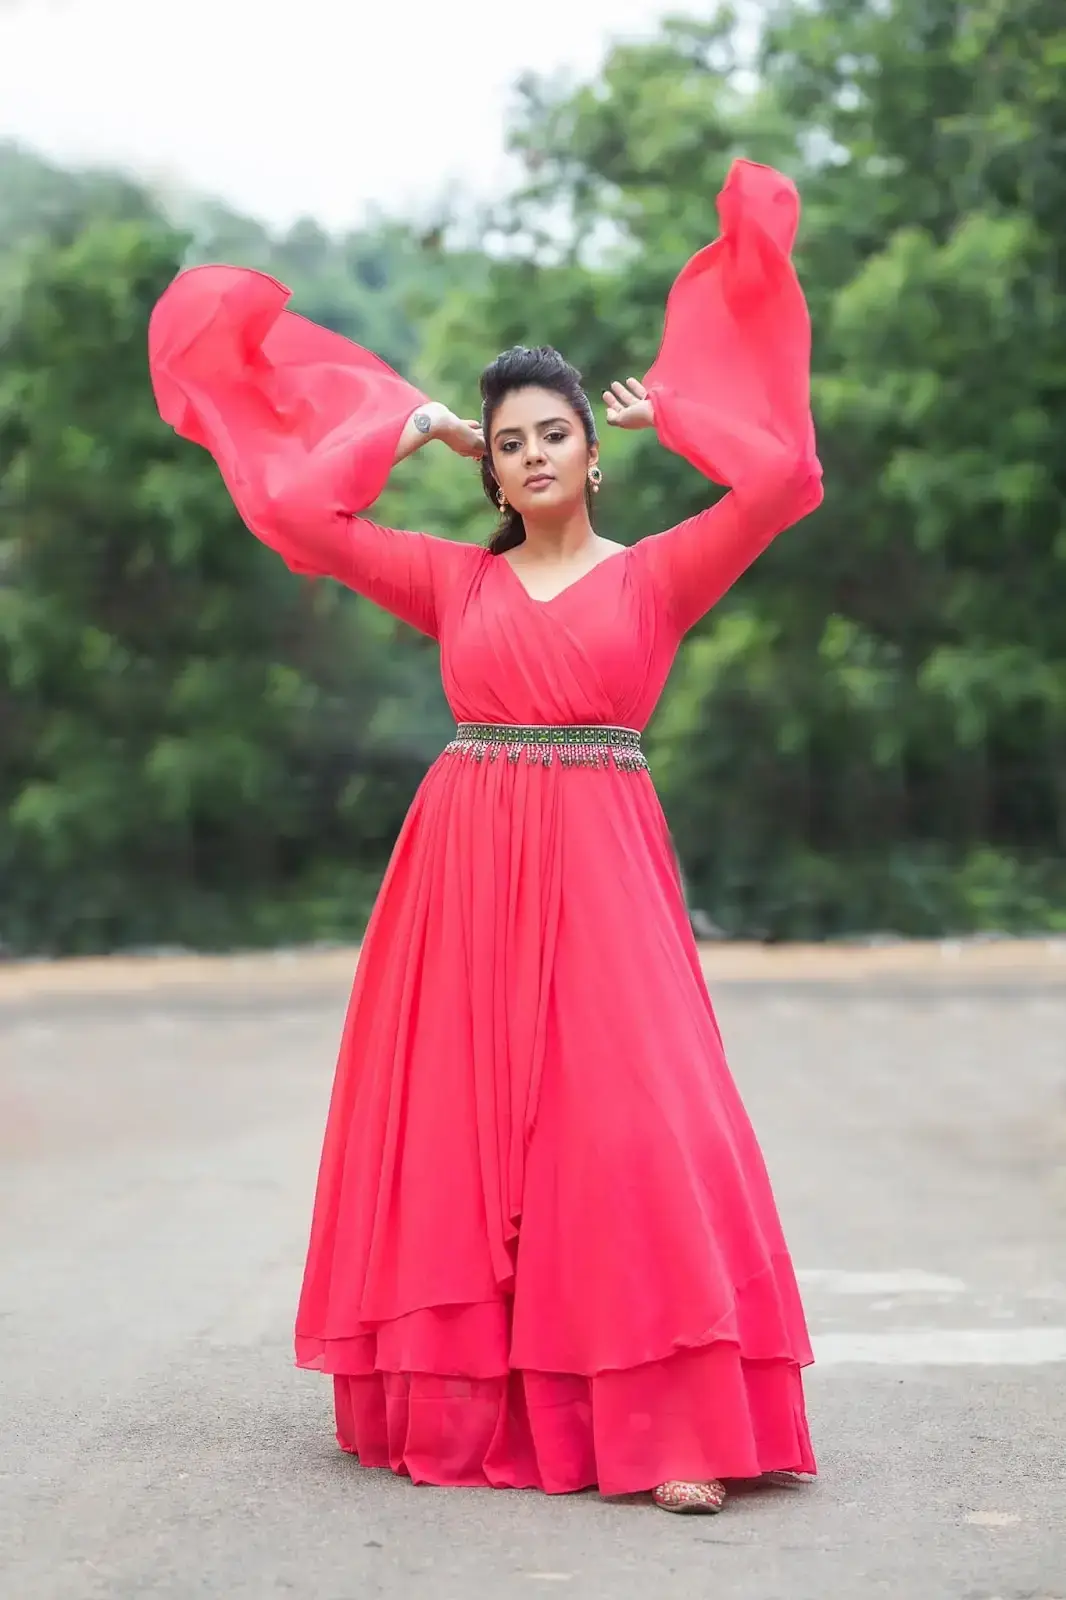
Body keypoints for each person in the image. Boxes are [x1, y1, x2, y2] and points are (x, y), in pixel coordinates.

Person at [149, 159, 823, 1515]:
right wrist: (407, 431)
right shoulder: (454, 581)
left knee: (627, 1128)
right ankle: (476, 1403)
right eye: (509, 439)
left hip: (603, 866)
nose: (530, 455)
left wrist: (681, 411)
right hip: (463, 872)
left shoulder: (656, 574)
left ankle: (666, 1429)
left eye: (552, 433)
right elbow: (295, 516)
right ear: (495, 464)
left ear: (589, 445)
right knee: (477, 1143)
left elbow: (783, 483)